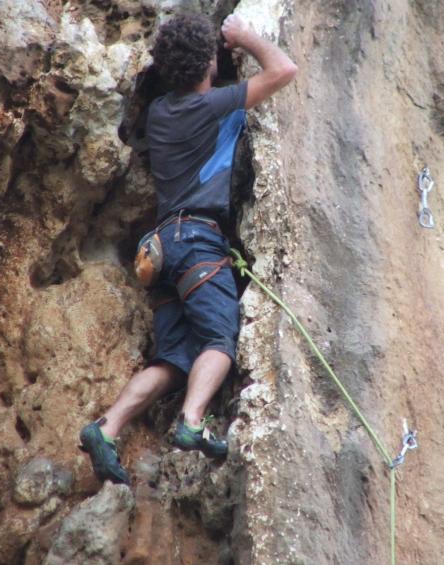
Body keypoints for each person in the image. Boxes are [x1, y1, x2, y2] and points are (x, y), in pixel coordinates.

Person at [79, 12, 297, 485]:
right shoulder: (211, 106)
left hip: (161, 249)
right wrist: (244, 37)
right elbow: (283, 70)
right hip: (196, 240)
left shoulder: (160, 111)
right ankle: (193, 421)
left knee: (175, 360)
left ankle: (107, 428)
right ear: (209, 65)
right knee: (219, 338)